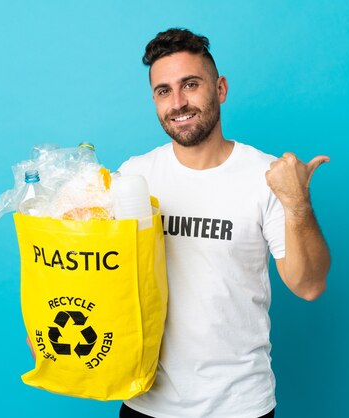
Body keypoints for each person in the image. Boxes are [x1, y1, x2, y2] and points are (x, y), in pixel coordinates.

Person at [116, 28, 331, 418]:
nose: (178, 103)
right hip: (145, 402)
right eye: (164, 91)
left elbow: (310, 285)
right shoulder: (134, 178)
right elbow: (104, 273)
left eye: (191, 85)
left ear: (221, 89)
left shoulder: (267, 176)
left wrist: (298, 203)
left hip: (239, 405)